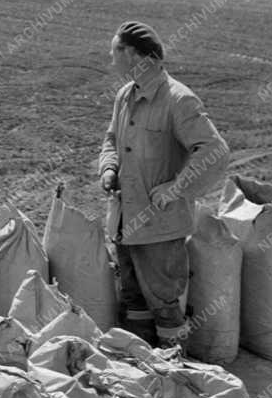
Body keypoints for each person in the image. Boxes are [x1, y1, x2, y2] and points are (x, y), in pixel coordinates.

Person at [98, 21, 229, 348]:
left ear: (132, 54)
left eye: (114, 51)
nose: (110, 58)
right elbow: (112, 139)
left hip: (159, 228)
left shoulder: (178, 100)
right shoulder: (125, 96)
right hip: (125, 221)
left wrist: (176, 187)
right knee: (133, 302)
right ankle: (141, 371)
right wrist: (108, 168)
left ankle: (174, 379)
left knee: (165, 307)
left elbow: (215, 151)